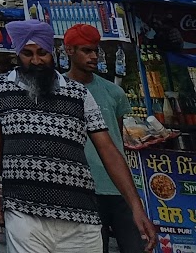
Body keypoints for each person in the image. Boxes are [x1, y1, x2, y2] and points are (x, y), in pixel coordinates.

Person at [0, 20, 156, 253]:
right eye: (27, 53)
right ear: (17, 54)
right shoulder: (1, 88)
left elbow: (109, 150)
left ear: (51, 52)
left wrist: (136, 206)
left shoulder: (78, 94)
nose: (35, 61)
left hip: (80, 216)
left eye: (42, 53)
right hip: (23, 213)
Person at [63, 24, 137, 253]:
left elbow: (116, 140)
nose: (93, 56)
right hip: (81, 190)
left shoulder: (113, 92)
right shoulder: (59, 91)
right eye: (86, 50)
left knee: (136, 246)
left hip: (117, 188)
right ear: (69, 51)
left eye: (96, 50)